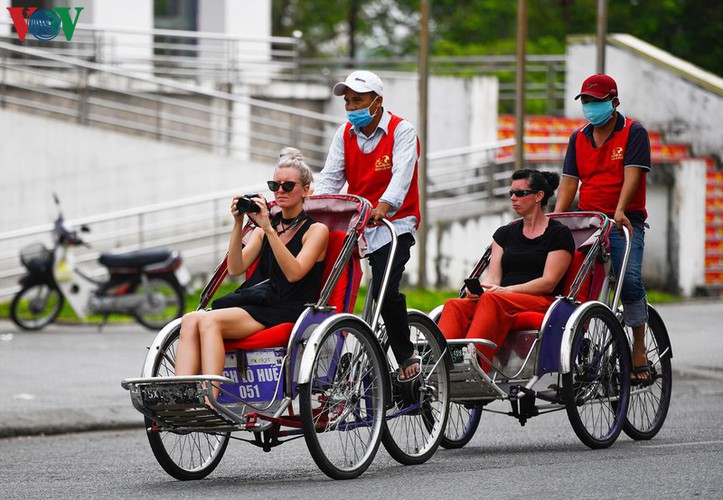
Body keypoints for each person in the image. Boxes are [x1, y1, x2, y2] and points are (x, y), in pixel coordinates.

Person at [174, 148, 329, 385]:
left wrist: (268, 228)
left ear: (305, 190)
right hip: (261, 301)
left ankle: (210, 401)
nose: (279, 191)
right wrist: (238, 224)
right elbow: (235, 268)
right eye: (274, 185)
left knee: (208, 320)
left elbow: (295, 272)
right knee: (189, 319)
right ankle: (184, 397)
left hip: (289, 307)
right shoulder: (262, 229)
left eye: (288, 186)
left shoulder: (316, 231)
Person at [314, 70, 421, 381]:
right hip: (357, 224)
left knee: (385, 291)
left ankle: (405, 353)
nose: (351, 107)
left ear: (378, 102)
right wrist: (315, 210)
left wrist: (383, 206)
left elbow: (402, 175)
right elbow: (330, 178)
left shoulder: (401, 131)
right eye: (347, 102)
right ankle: (337, 351)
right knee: (324, 284)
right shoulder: (344, 133)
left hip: (394, 223)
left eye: (357, 100)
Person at [554, 74, 652, 382]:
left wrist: (620, 209)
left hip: (624, 219)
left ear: (614, 102)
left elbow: (632, 174)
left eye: (596, 101)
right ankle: (579, 344)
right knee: (569, 283)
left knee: (630, 281)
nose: (590, 107)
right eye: (586, 101)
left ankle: (638, 348)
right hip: (588, 221)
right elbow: (569, 182)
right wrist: (557, 219)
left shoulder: (634, 132)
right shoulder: (578, 137)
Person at [438, 169, 575, 371]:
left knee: (493, 299)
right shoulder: (504, 234)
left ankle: (475, 365)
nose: (513, 198)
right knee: (454, 305)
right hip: (501, 299)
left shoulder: (558, 234)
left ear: (539, 196)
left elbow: (549, 282)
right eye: (511, 193)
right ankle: (440, 366)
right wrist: (481, 289)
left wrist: (506, 291)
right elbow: (494, 278)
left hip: (540, 300)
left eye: (520, 193)